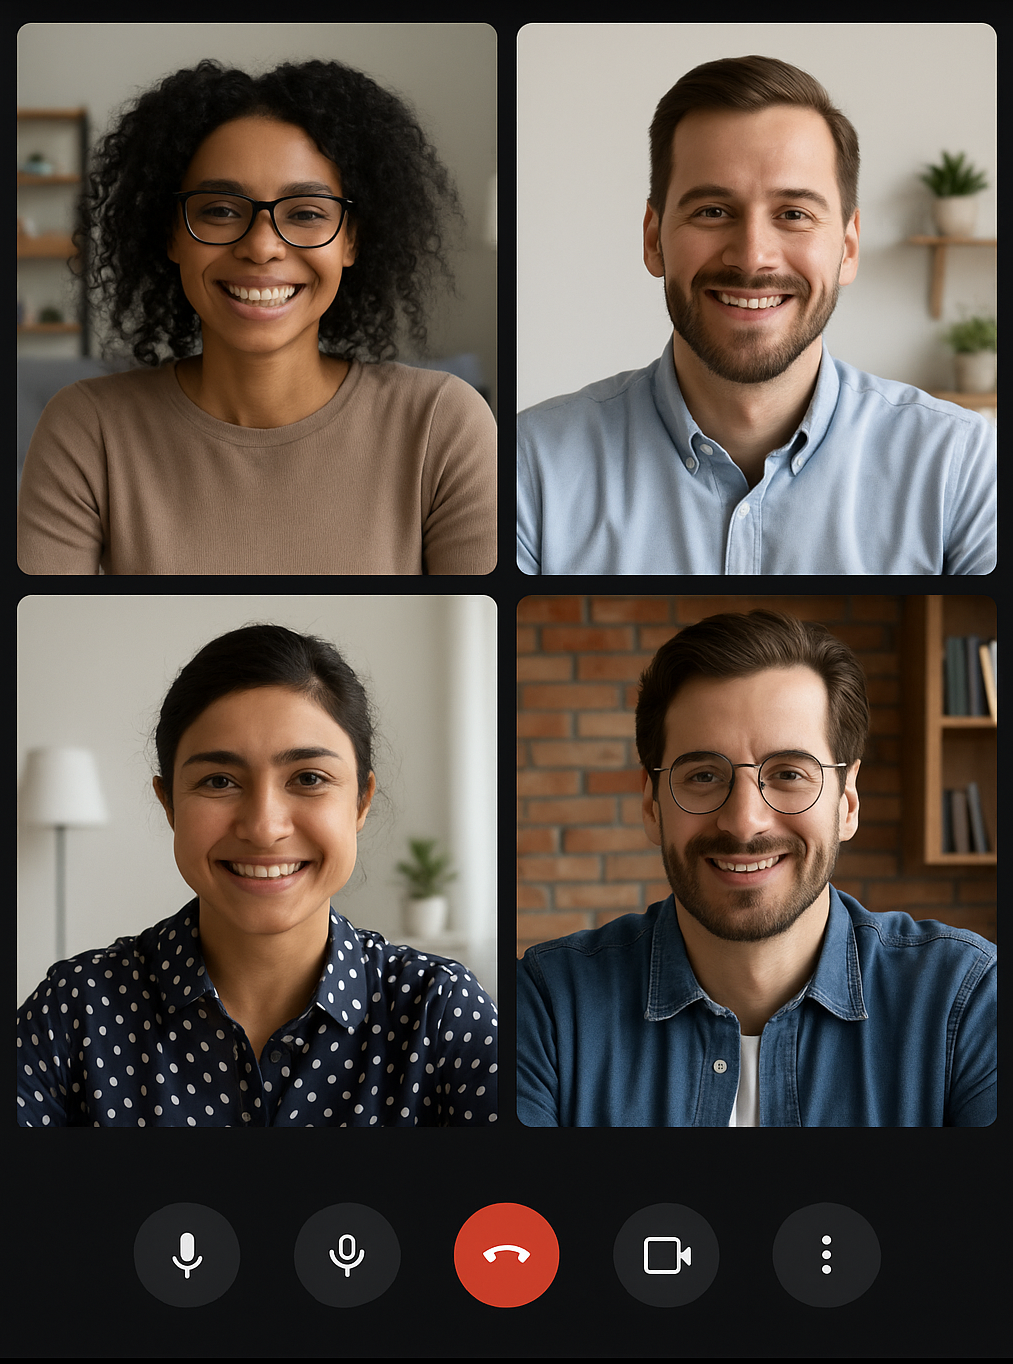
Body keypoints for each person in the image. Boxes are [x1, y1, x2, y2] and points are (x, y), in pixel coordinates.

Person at [516, 56, 995, 575]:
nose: (751, 255)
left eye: (794, 214)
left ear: (849, 248)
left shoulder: (963, 465)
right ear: (653, 239)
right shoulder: (529, 465)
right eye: (712, 212)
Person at [516, 610, 995, 1127]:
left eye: (789, 773)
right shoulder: (547, 1006)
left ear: (847, 801)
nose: (744, 822)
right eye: (703, 775)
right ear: (652, 804)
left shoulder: (965, 1000)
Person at [18, 59, 496, 575]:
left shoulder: (442, 425)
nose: (262, 246)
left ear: (351, 239)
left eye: (307, 213)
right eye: (221, 210)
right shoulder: (86, 428)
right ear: (173, 235)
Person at [18, 624, 498, 1127]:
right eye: (219, 781)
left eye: (308, 778)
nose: (265, 828)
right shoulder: (76, 1010)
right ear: (169, 804)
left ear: (361, 801)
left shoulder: (438, 1010)